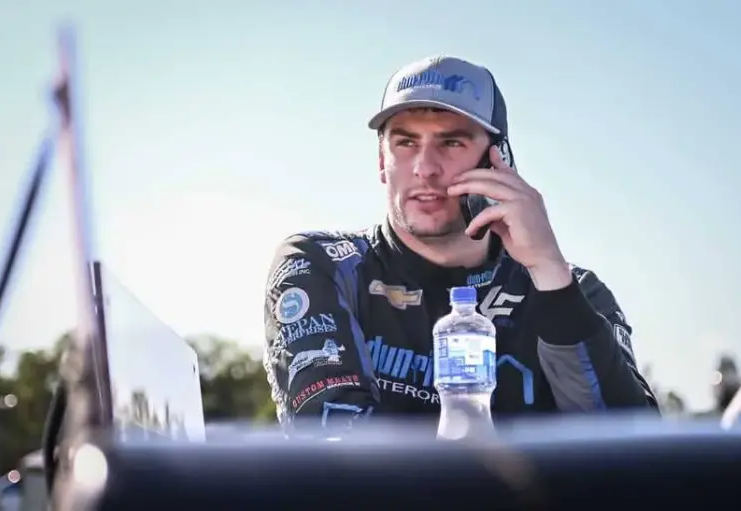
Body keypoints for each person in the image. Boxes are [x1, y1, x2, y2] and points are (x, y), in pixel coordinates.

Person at [263, 55, 658, 432]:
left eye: (451, 143)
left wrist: (549, 271)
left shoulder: (576, 289)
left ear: (497, 161)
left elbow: (635, 453)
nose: (425, 168)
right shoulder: (322, 266)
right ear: (381, 162)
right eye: (405, 143)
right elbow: (335, 448)